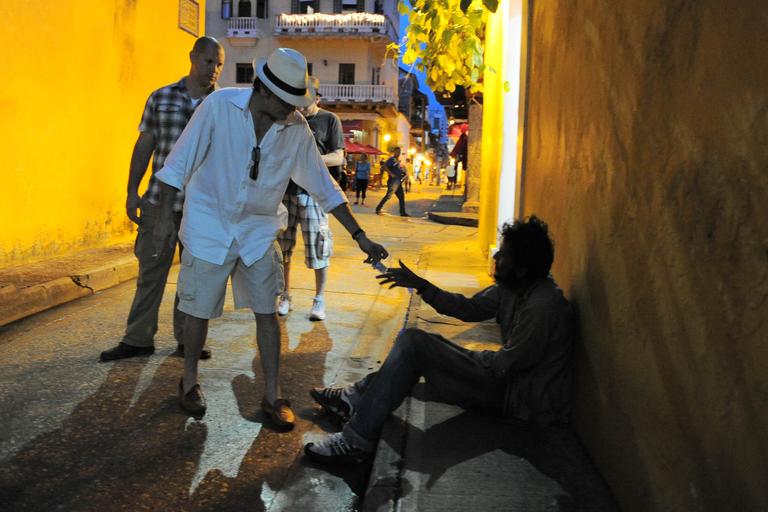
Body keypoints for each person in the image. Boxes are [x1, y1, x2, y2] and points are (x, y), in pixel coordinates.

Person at [151, 48, 388, 427]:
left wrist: (360, 236)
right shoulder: (218, 107)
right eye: (286, 101)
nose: (292, 109)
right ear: (262, 89)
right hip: (209, 226)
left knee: (268, 312)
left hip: (259, 232)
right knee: (197, 311)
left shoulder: (296, 129)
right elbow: (178, 164)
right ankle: (190, 381)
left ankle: (273, 395)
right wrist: (164, 220)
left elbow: (324, 186)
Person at [304, 216, 574, 463]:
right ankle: (356, 396)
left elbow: (504, 366)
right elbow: (470, 309)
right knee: (410, 361)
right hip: (501, 382)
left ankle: (355, 438)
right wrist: (421, 285)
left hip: (516, 400)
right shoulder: (516, 287)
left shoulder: (542, 306)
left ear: (523, 268)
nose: (497, 257)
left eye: (504, 255)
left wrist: (457, 358)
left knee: (414, 343)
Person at [100, 37, 225, 362]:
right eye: (209, 61)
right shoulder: (161, 97)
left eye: (219, 64)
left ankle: (188, 340)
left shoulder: (224, 106)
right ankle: (138, 338)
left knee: (194, 274)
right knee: (151, 270)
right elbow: (145, 145)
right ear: (192, 57)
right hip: (159, 202)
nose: (214, 69)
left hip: (203, 207)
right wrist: (131, 191)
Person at [276, 77, 344, 321]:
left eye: (307, 97)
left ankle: (319, 299)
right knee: (283, 248)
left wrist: (308, 159)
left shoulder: (329, 120)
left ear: (317, 98)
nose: (301, 102)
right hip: (286, 193)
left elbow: (338, 157)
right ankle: (285, 295)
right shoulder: (289, 119)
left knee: (319, 248)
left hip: (314, 195)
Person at [374, 147, 409, 217]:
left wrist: (403, 173)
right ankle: (378, 208)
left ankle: (402, 212)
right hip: (393, 181)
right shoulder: (391, 159)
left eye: (399, 152)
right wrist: (391, 174)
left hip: (398, 181)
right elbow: (384, 166)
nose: (398, 153)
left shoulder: (397, 160)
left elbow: (397, 169)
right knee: (388, 195)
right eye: (397, 152)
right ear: (394, 152)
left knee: (401, 196)